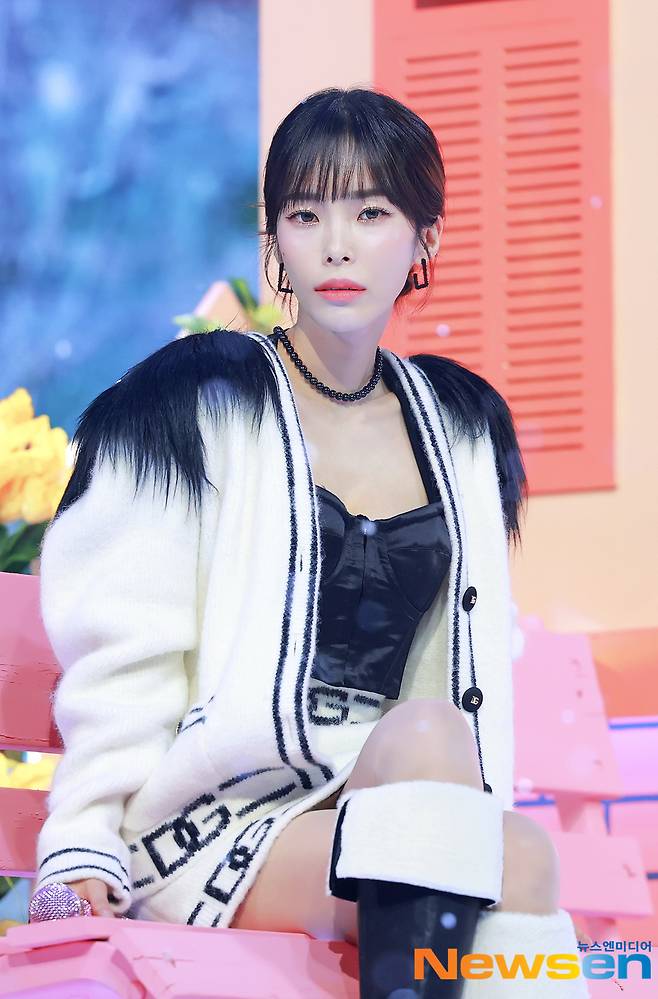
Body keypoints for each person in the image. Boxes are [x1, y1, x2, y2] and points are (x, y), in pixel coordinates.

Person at [32, 88, 589, 997]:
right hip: (219, 823)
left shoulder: (461, 430)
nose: (336, 245)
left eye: (370, 214)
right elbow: (125, 652)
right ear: (276, 238)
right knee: (435, 763)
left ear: (425, 238)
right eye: (305, 214)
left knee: (520, 852)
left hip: (390, 801)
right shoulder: (192, 403)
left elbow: (462, 667)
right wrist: (81, 840)